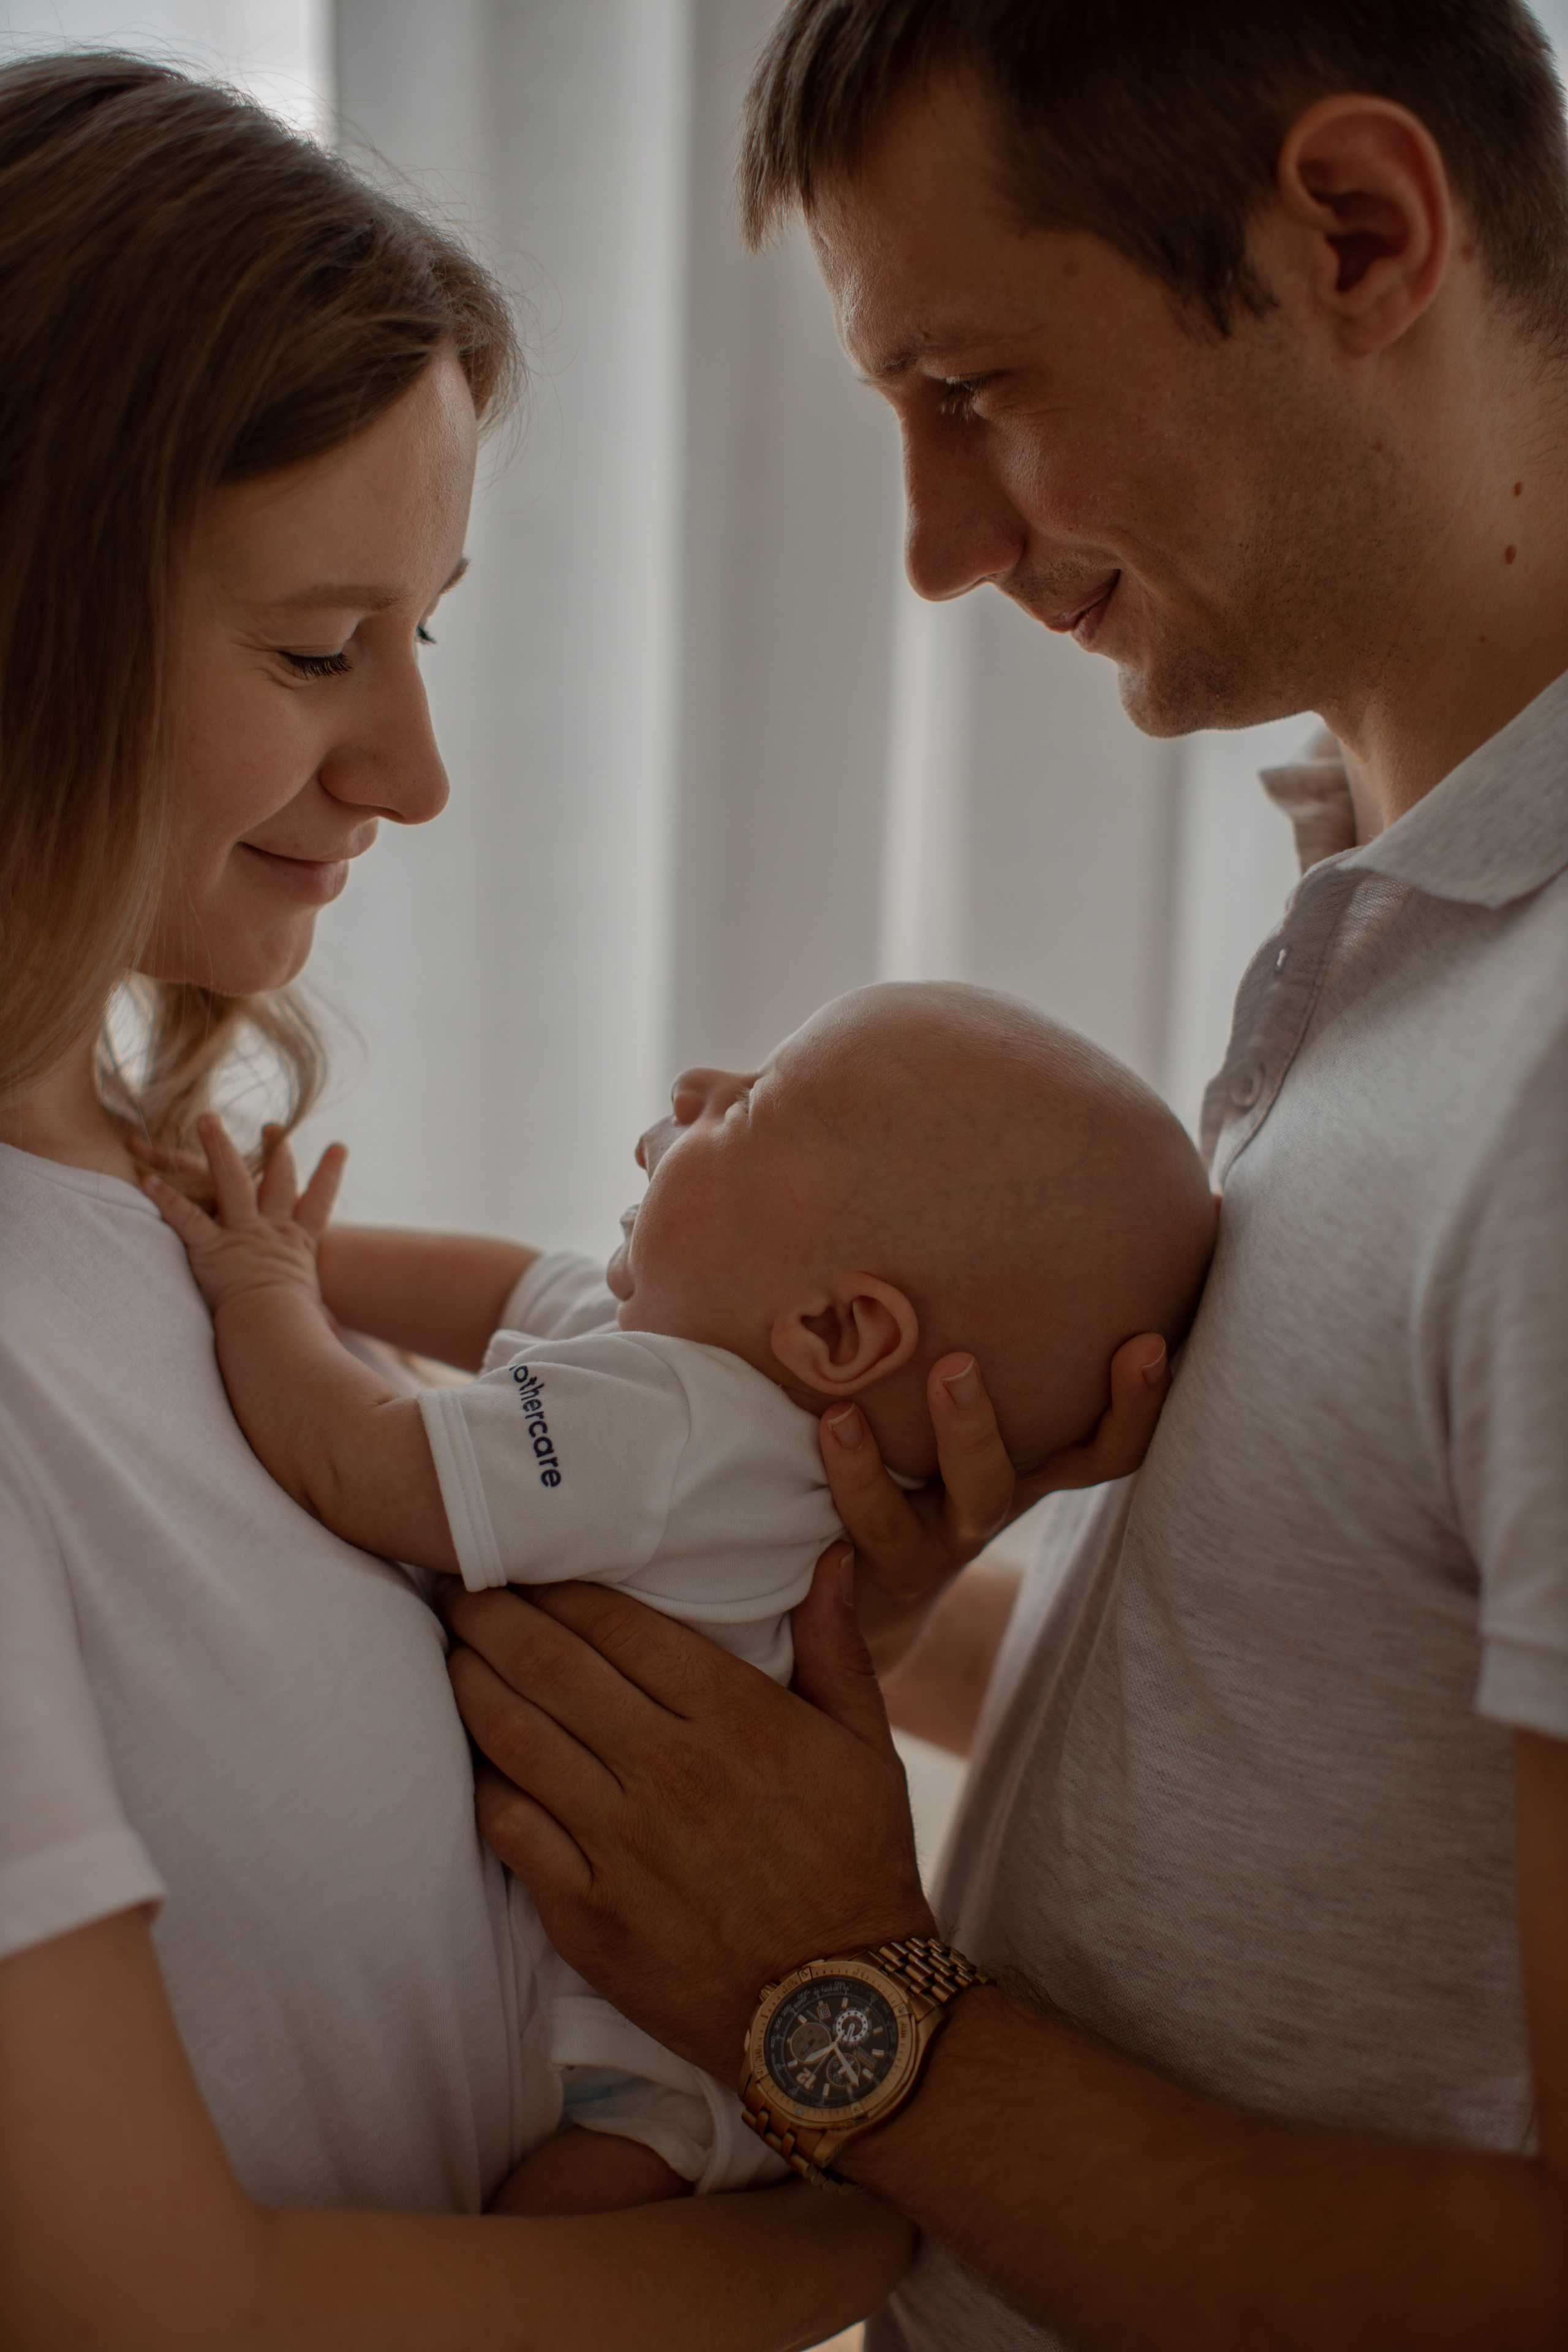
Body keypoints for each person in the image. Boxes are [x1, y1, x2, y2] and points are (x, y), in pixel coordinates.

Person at [435, 2, 1568, 2346]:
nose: (945, 552)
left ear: (1359, 233)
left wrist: (827, 1995)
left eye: (977, 394)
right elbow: (1332, 1714)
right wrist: (809, 1594)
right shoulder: (1408, 931)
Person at [0, 50, 915, 2350]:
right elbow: (146, 2304)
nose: (414, 771)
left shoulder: (154, 1210)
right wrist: (869, 2221)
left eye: (431, 632)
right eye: (319, 651)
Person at [137, 979, 1215, 2218]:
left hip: (642, 2054)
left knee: (530, 2271)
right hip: (662, 2034)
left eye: (751, 1106)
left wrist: (262, 1284)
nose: (695, 1086)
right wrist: (315, 1255)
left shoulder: (664, 1431)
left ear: (835, 1326)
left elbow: (356, 1461)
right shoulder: (702, 1379)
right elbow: (499, 1292)